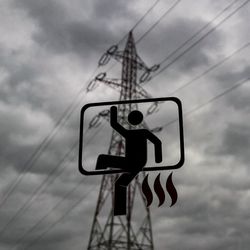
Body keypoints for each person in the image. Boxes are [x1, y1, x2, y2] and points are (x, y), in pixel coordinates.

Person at [95, 105, 162, 215]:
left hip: (133, 162)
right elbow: (115, 125)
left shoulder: (137, 133)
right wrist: (113, 111)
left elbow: (157, 142)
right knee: (120, 183)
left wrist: (158, 159)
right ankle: (120, 211)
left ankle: (100, 173)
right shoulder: (135, 133)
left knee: (103, 159)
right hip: (135, 163)